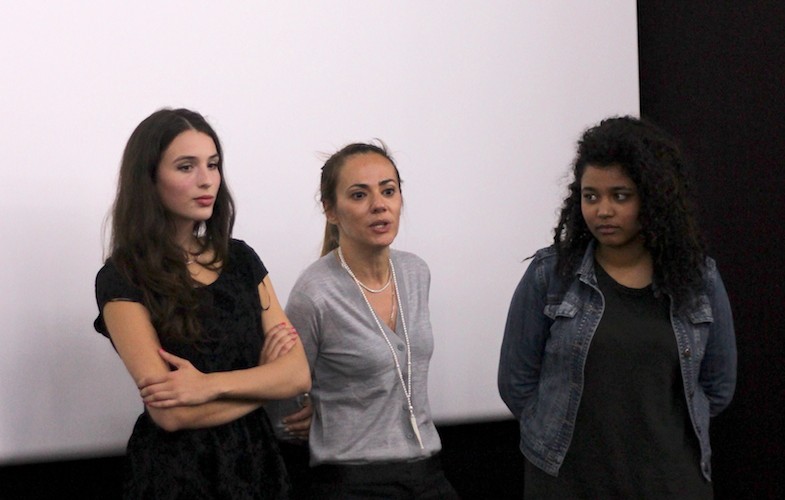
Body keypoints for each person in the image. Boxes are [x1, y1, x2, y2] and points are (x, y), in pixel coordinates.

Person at [497, 116, 737, 498]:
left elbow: (718, 385)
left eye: (620, 196)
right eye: (591, 196)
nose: (603, 210)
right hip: (568, 482)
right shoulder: (550, 274)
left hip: (670, 482)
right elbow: (516, 382)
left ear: (652, 198)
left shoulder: (697, 278)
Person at [93, 108, 310, 499]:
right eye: (186, 166)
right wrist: (264, 381)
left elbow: (296, 375)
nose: (206, 179)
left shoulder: (241, 260)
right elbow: (171, 414)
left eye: (213, 164)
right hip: (178, 477)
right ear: (149, 178)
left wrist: (207, 386)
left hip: (257, 465)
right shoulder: (123, 276)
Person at [271, 141, 459, 499]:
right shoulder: (314, 293)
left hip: (427, 471)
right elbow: (283, 403)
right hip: (353, 480)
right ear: (331, 210)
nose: (379, 205)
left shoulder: (415, 272)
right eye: (359, 195)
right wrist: (309, 416)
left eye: (388, 191)